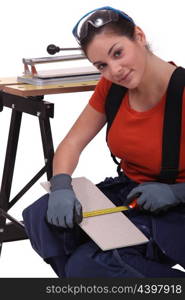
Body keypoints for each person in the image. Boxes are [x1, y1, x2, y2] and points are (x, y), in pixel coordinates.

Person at [22, 6, 185, 277]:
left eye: (118, 53)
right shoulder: (113, 88)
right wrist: (61, 185)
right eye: (102, 65)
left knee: (91, 264)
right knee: (40, 218)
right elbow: (72, 143)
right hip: (133, 194)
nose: (115, 70)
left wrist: (176, 193)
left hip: (176, 208)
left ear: (139, 36)